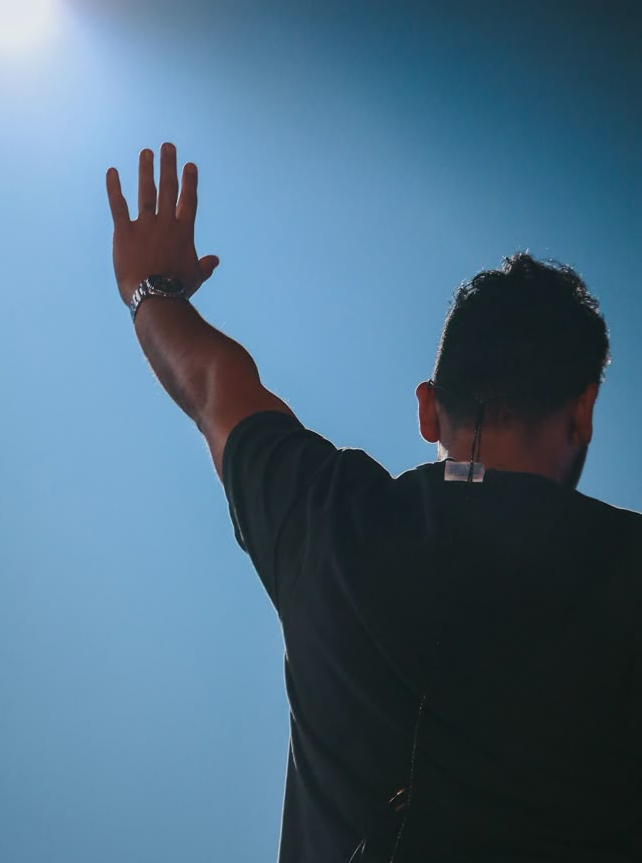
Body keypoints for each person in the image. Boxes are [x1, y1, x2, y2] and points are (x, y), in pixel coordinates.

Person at [106, 144, 642, 862]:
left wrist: (151, 292)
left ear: (428, 411)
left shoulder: (327, 521)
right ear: (582, 412)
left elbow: (213, 386)